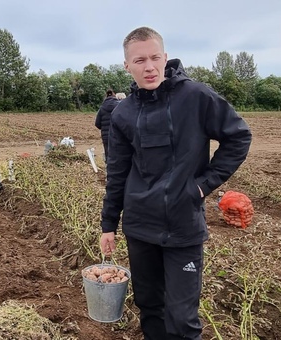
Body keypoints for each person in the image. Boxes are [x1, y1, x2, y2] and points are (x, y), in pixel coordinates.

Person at [99, 27, 252, 339]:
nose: (149, 66)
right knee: (150, 307)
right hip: (140, 227)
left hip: (182, 227)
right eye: (139, 60)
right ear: (127, 65)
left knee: (182, 319)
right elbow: (117, 172)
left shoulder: (195, 97)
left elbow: (238, 137)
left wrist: (201, 186)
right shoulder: (123, 113)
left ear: (166, 58)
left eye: (155, 57)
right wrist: (108, 224)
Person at [94, 89, 120, 160]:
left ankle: (109, 169)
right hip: (118, 134)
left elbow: (97, 123)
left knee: (108, 155)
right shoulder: (119, 106)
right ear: (114, 95)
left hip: (106, 136)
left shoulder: (102, 108)